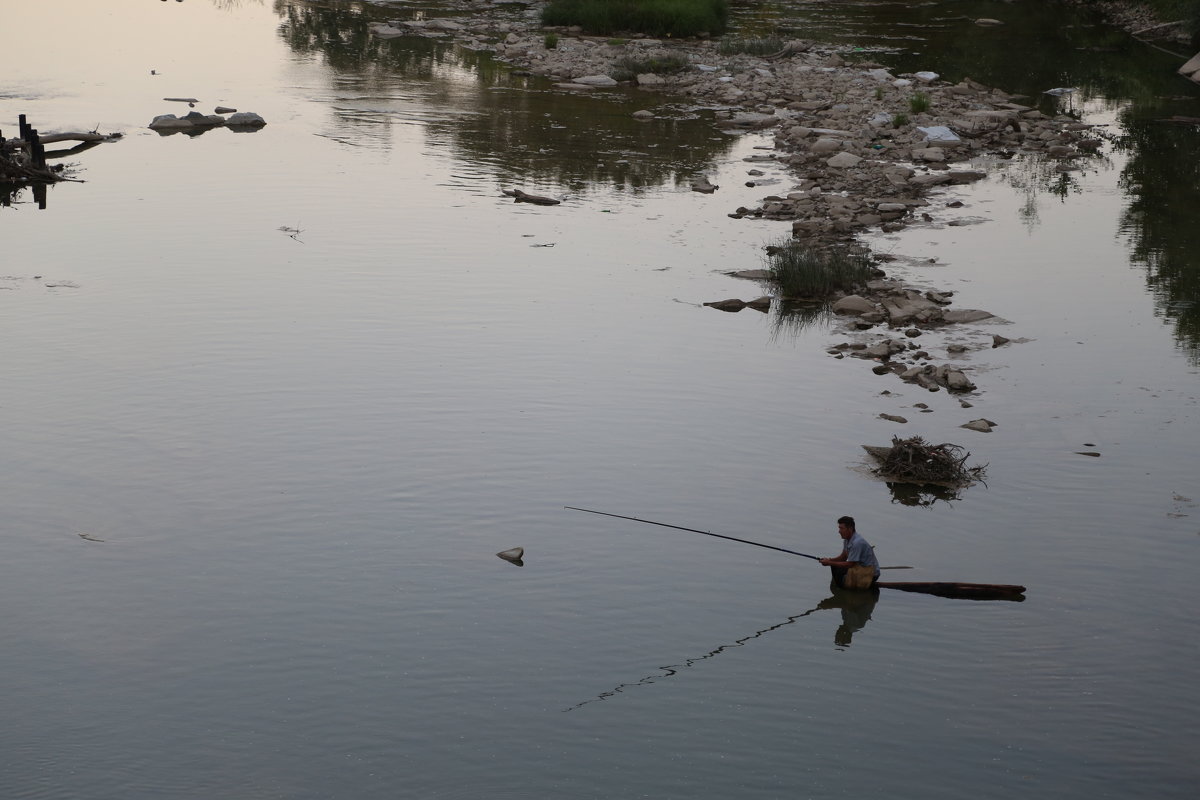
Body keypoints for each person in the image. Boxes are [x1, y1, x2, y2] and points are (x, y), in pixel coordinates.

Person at [819, 516, 880, 589]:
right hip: (859, 568)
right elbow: (843, 557)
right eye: (839, 528)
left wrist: (829, 563)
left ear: (850, 529)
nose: (839, 531)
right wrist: (830, 560)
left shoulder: (857, 543)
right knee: (835, 567)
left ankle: (845, 588)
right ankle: (843, 584)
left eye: (841, 528)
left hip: (870, 573)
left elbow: (850, 564)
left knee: (837, 570)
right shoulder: (847, 540)